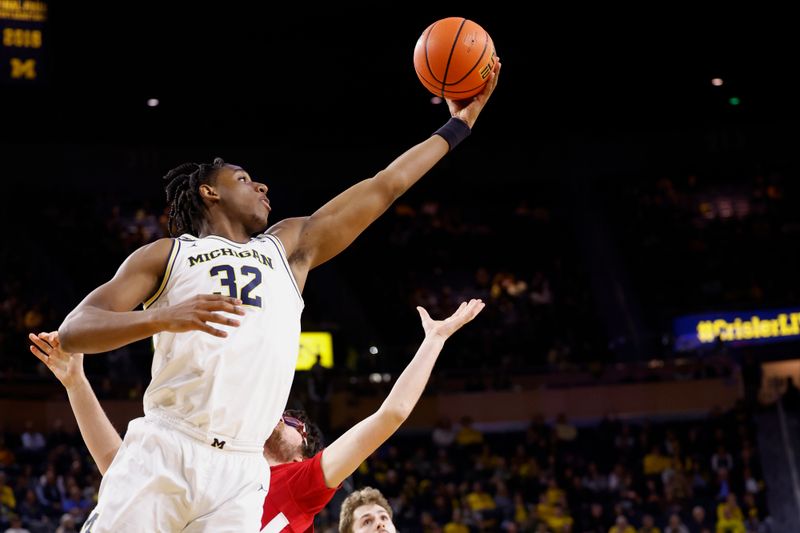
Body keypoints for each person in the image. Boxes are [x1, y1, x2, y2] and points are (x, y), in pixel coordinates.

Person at [52, 53, 500, 531]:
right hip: (167, 444)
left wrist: (459, 126)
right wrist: (163, 318)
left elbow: (385, 186)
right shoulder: (165, 255)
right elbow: (76, 330)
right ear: (210, 193)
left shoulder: (288, 247)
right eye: (244, 180)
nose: (261, 184)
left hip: (243, 471)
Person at [31, 299, 485, 532]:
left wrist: (434, 341)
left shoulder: (305, 482)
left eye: (289, 418)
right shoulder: (221, 460)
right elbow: (121, 469)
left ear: (304, 443)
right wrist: (76, 382)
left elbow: (392, 413)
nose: (276, 415)